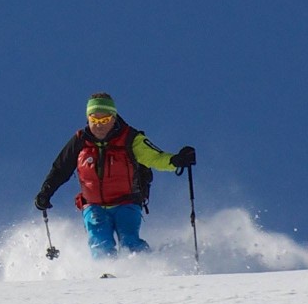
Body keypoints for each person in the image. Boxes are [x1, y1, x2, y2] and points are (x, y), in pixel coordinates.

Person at [35, 93, 196, 258]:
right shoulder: (80, 141)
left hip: (126, 202)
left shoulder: (131, 140)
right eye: (94, 120)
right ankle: (106, 276)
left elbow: (155, 158)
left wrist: (176, 160)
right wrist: (46, 191)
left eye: (104, 120)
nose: (99, 125)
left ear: (113, 118)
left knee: (129, 240)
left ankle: (146, 269)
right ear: (88, 119)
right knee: (100, 242)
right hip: (94, 205)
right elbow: (60, 168)